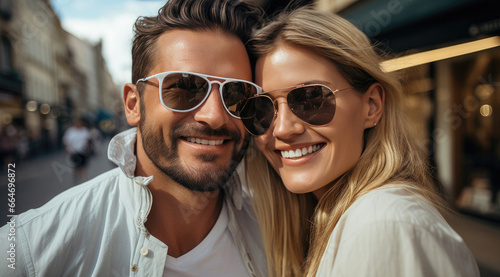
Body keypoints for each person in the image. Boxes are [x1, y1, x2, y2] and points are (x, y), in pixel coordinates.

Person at [0, 0, 267, 276]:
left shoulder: (273, 231)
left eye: (237, 94)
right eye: (184, 88)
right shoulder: (29, 251)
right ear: (133, 104)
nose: (214, 116)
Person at [239, 7, 480, 277]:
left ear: (372, 106)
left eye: (310, 99)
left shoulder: (384, 225)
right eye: (261, 109)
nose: (282, 128)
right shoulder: (333, 221)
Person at [63, 119, 92, 184]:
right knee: (76, 168)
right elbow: (66, 142)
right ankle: (77, 181)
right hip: (74, 152)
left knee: (83, 166)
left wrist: (87, 146)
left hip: (83, 151)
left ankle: (84, 181)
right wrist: (69, 149)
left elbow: (88, 140)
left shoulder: (84, 130)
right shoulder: (70, 131)